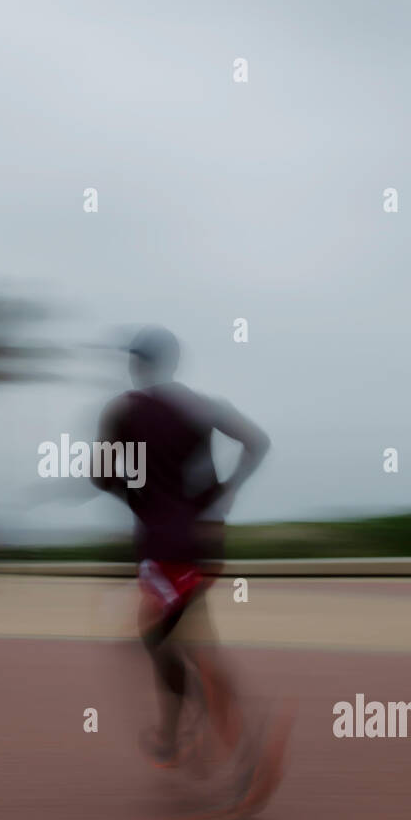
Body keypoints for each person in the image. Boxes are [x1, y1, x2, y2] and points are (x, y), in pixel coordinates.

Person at [92, 326, 271, 775]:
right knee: (183, 639)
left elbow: (101, 474)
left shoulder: (123, 411)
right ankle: (175, 738)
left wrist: (135, 495)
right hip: (204, 545)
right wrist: (225, 495)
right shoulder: (202, 407)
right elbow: (257, 442)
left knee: (160, 641)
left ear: (138, 365)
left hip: (162, 548)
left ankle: (245, 749)